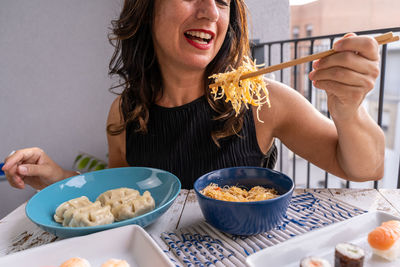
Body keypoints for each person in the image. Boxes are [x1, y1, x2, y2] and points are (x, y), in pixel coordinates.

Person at [2, 0, 384, 190]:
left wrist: (349, 111)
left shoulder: (261, 99)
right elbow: (118, 194)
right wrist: (58, 179)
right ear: (146, 10)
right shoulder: (125, 112)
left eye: (222, 0)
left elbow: (365, 168)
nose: (210, 13)